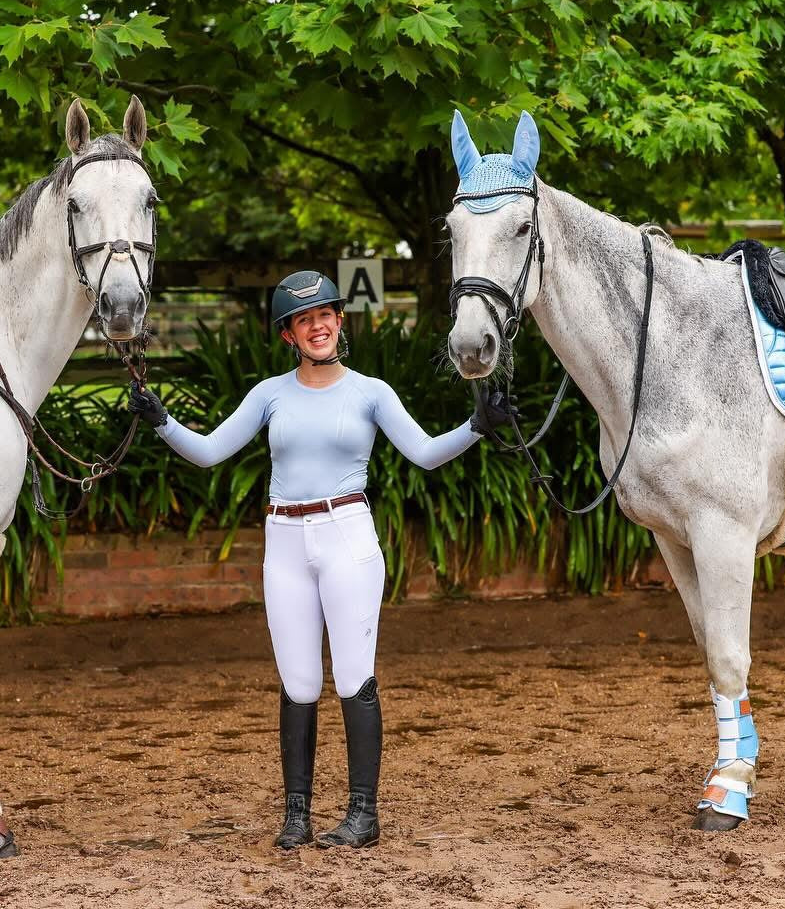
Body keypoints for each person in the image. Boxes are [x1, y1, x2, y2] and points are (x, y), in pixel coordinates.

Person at [127, 271, 515, 850]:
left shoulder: (371, 392)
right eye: (305, 320)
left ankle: (363, 813)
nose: (318, 326)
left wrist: (475, 428)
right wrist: (160, 421)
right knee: (299, 682)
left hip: (346, 536)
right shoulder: (269, 395)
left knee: (354, 677)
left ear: (340, 320)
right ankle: (297, 815)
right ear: (289, 334)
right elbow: (209, 453)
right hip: (284, 538)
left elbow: (426, 455)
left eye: (326, 315)